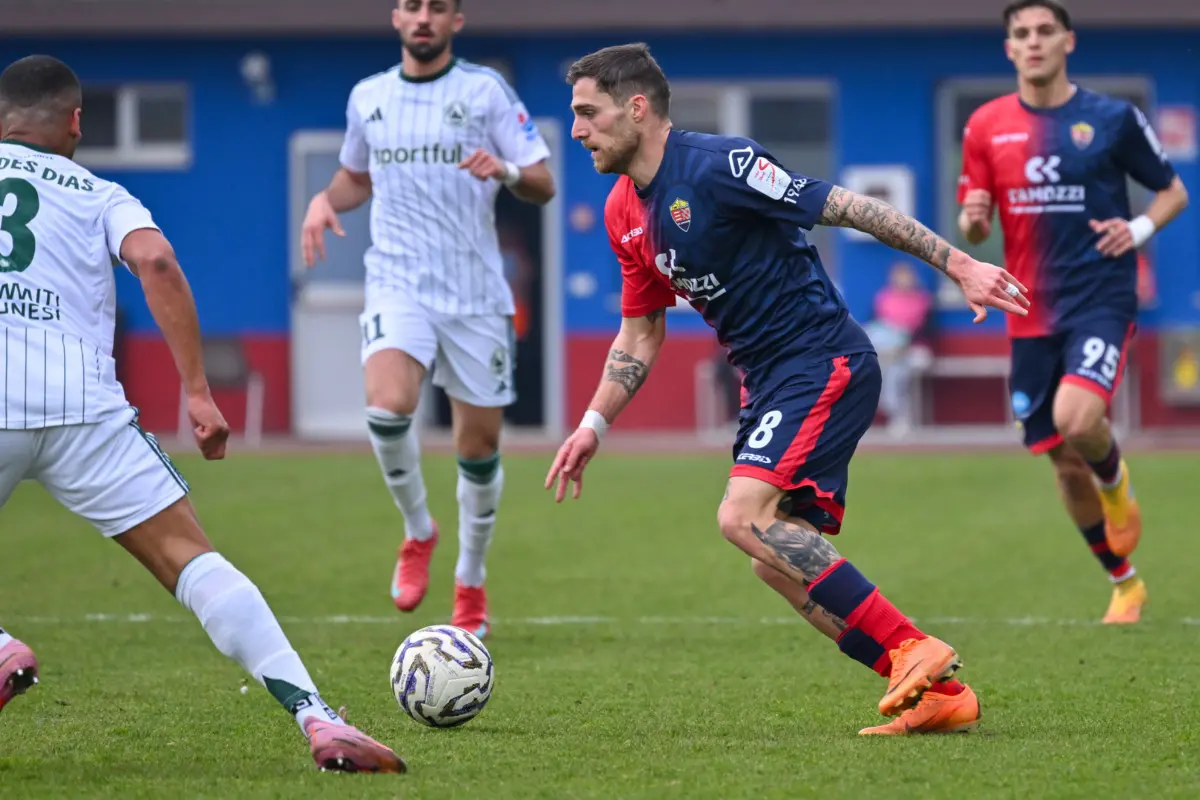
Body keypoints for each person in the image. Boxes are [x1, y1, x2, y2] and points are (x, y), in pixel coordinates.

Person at [546, 43, 1030, 736]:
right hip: (769, 379)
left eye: (588, 113)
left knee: (742, 517)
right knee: (775, 561)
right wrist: (593, 423)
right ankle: (940, 695)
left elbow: (846, 206)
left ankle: (913, 647)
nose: (577, 130)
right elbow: (640, 332)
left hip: (820, 358)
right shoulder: (624, 210)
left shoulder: (719, 165)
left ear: (638, 108)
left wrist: (957, 264)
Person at [0, 55, 403, 773]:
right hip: (83, 406)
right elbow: (155, 261)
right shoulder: (100, 192)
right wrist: (196, 391)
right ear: (75, 121)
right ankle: (316, 716)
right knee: (192, 560)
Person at [300, 0, 556, 639]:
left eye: (437, 8)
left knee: (478, 448)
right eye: (412, 6)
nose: (423, 17)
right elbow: (356, 177)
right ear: (396, 16)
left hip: (475, 294)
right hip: (398, 283)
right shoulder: (368, 97)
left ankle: (470, 579)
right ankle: (418, 531)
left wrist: (505, 169)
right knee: (387, 408)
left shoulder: (485, 91)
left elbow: (544, 181)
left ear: (455, 22)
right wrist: (323, 200)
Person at [957, 0, 1189, 624]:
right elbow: (974, 227)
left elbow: (1172, 191)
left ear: (1068, 41)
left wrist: (1137, 229)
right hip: (1027, 307)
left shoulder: (1111, 118)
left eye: (1044, 31)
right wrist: (973, 221)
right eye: (1021, 33)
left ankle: (1115, 482)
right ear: (1009, 48)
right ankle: (1125, 583)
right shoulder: (985, 125)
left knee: (1077, 416)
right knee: (1061, 460)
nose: (1033, 42)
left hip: (1101, 296)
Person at [862, 261, 934, 435]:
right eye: (899, 276)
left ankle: (901, 417)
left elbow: (925, 331)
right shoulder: (883, 298)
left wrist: (902, 347)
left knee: (899, 372)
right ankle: (896, 414)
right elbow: (876, 327)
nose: (903, 280)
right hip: (888, 352)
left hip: (914, 350)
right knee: (884, 370)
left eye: (906, 276)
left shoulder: (923, 300)